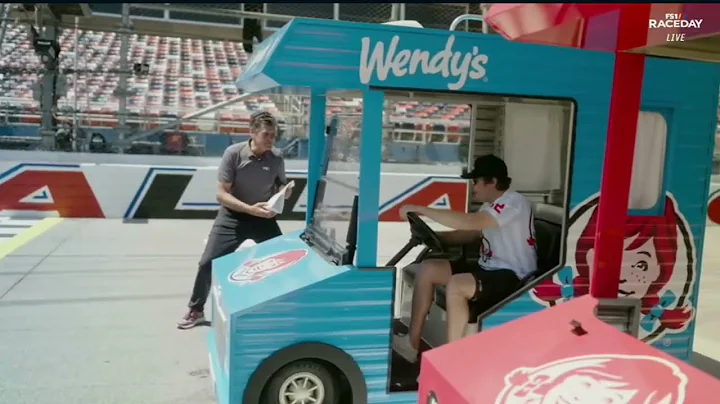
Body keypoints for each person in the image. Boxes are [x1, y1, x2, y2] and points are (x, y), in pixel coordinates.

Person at [392, 154, 537, 362]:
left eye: (476, 181)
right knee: (429, 268)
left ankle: (451, 359)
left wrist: (421, 209)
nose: (474, 187)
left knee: (457, 284)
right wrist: (433, 236)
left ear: (492, 181)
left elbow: (471, 222)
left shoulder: (513, 203)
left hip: (513, 276)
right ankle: (411, 344)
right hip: (488, 269)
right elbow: (468, 233)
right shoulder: (490, 206)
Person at [178, 111, 292, 329]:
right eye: (266, 135)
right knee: (207, 262)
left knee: (283, 261)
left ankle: (281, 311)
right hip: (232, 217)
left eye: (274, 135)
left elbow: (279, 184)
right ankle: (196, 310)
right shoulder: (233, 154)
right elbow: (221, 194)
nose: (271, 140)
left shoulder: (277, 157)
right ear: (252, 133)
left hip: (263, 218)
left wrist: (282, 193)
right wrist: (249, 209)